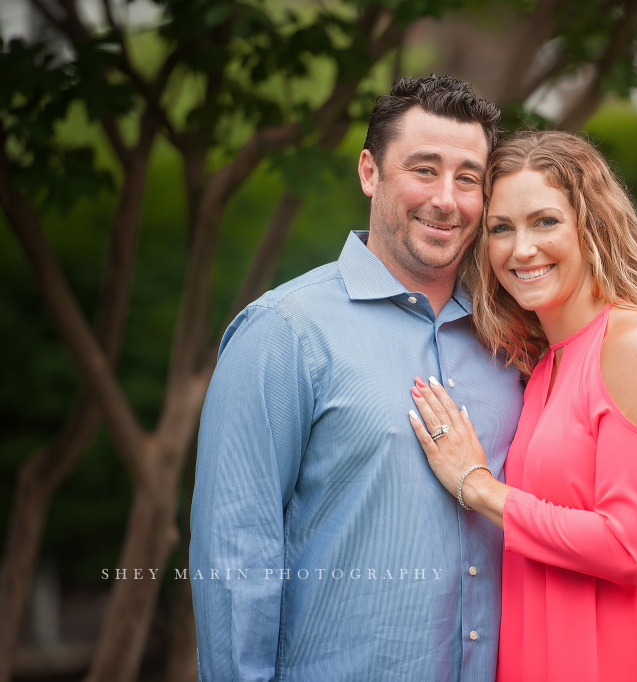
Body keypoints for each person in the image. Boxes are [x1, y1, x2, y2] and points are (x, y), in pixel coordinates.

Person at [189, 76, 524, 681]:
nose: (447, 199)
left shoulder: (509, 341)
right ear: (370, 172)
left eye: (468, 177)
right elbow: (236, 555)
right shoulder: (284, 332)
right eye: (424, 169)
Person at [408, 130, 637, 682]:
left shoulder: (635, 344)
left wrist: (480, 486)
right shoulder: (544, 367)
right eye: (500, 229)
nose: (522, 250)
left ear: (592, 226)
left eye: (545, 221)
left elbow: (627, 550)